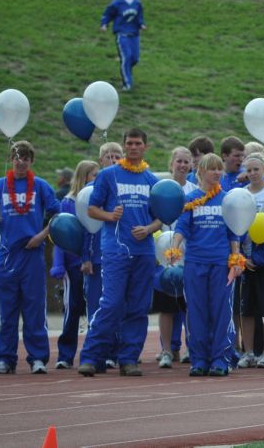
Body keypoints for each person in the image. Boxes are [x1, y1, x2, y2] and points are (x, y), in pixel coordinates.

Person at [78, 129, 161, 377]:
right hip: (115, 251)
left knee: (138, 306)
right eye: (129, 143)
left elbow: (161, 218)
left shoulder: (152, 181)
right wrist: (109, 216)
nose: (133, 147)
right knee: (111, 303)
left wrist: (148, 229)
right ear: (124, 146)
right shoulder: (108, 176)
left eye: (137, 143)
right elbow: (91, 209)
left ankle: (129, 359)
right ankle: (92, 357)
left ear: (145, 146)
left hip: (144, 251)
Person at [0, 141, 60, 374]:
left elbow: (58, 215)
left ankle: (37, 358)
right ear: (11, 159)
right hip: (8, 255)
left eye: (25, 158)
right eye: (17, 157)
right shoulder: (0, 185)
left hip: (32, 254)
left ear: (31, 161)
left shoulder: (40, 186)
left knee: (34, 308)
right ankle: (5, 359)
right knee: (7, 310)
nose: (21, 162)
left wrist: (42, 235)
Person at [171, 154, 243, 376]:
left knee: (221, 312)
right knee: (196, 311)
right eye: (212, 169)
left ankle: (220, 359)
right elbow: (182, 227)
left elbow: (234, 233)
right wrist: (173, 249)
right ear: (200, 171)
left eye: (219, 169)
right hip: (195, 263)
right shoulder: (190, 199)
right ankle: (199, 359)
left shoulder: (227, 199)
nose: (217, 173)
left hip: (220, 265)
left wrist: (236, 259)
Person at [51, 160, 99, 370]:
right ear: (84, 176)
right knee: (72, 309)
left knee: (96, 310)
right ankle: (65, 354)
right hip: (73, 266)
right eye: (93, 175)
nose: (97, 179)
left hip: (95, 263)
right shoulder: (68, 202)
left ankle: (96, 353)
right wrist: (59, 265)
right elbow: (62, 235)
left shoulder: (99, 200)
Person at [155, 147, 198, 369]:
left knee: (189, 305)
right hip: (164, 256)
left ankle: (191, 347)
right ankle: (166, 350)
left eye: (186, 162)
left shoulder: (195, 191)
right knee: (167, 306)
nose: (182, 165)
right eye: (179, 161)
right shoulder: (159, 189)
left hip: (188, 255)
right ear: (171, 163)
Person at [82, 142, 123, 371]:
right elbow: (87, 224)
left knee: (121, 307)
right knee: (101, 306)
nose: (114, 160)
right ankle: (96, 351)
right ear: (101, 160)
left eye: (118, 156)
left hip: (121, 254)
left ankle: (117, 351)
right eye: (109, 156)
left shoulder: (128, 181)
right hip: (98, 257)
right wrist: (85, 257)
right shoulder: (96, 186)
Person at [237, 154, 264, 369]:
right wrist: (241, 258)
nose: (253, 173)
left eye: (257, 169)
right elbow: (234, 227)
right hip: (245, 263)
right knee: (246, 309)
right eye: (249, 170)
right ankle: (248, 351)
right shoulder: (240, 195)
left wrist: (262, 258)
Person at [100, 0, 146, 92]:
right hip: (122, 35)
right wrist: (104, 24)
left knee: (134, 59)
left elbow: (139, 16)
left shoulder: (137, 3)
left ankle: (126, 72)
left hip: (134, 35)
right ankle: (127, 84)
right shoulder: (118, 3)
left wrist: (141, 24)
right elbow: (108, 14)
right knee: (126, 57)